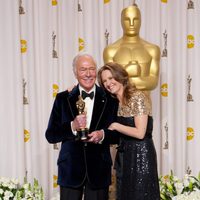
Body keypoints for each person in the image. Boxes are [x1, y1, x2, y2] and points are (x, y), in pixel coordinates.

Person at [45, 53, 119, 200]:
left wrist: (102, 135)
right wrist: (72, 126)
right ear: (75, 72)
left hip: (99, 170)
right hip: (70, 169)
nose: (88, 74)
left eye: (92, 69)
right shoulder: (62, 98)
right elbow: (51, 135)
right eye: (83, 69)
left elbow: (118, 134)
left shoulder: (110, 99)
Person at [97, 62, 160, 200]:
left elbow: (140, 132)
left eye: (111, 78)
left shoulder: (137, 97)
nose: (108, 83)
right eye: (104, 81)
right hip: (124, 155)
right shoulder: (115, 101)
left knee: (140, 194)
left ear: (120, 77)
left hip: (141, 154)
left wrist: (115, 125)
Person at [103, 4, 160, 91]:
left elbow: (153, 82)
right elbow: (110, 84)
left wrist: (125, 77)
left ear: (141, 21)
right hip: (119, 104)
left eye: (135, 19)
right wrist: (129, 72)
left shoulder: (152, 49)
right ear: (121, 21)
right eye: (127, 20)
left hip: (145, 103)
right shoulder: (110, 51)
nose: (131, 24)